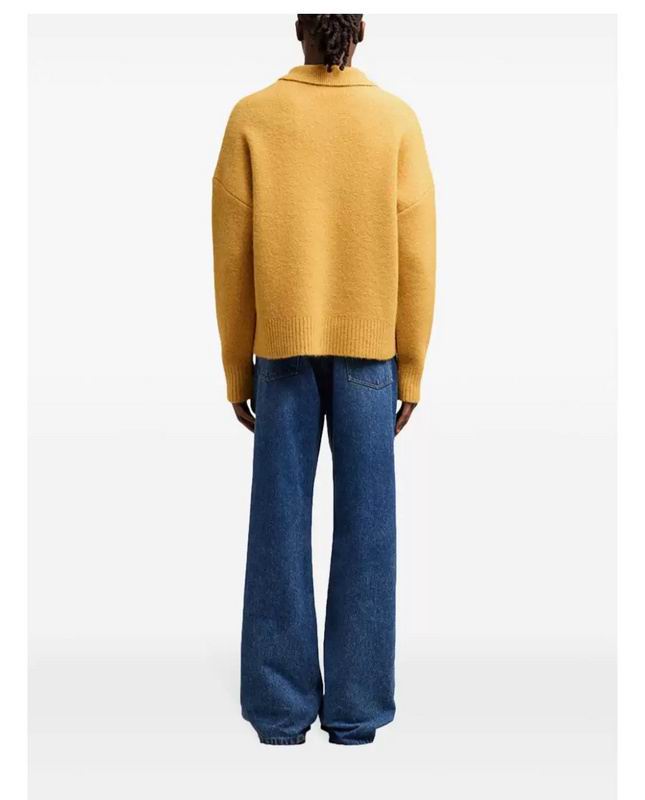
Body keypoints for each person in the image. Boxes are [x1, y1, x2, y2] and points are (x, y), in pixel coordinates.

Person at [211, 14, 436, 746]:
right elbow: (417, 252)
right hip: (371, 353)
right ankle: (357, 713)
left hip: (279, 353)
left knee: (277, 528)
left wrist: (235, 363)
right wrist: (410, 365)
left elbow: (231, 253)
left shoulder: (253, 117)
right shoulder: (393, 120)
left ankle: (279, 713)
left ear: (298, 31)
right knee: (369, 532)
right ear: (360, 31)